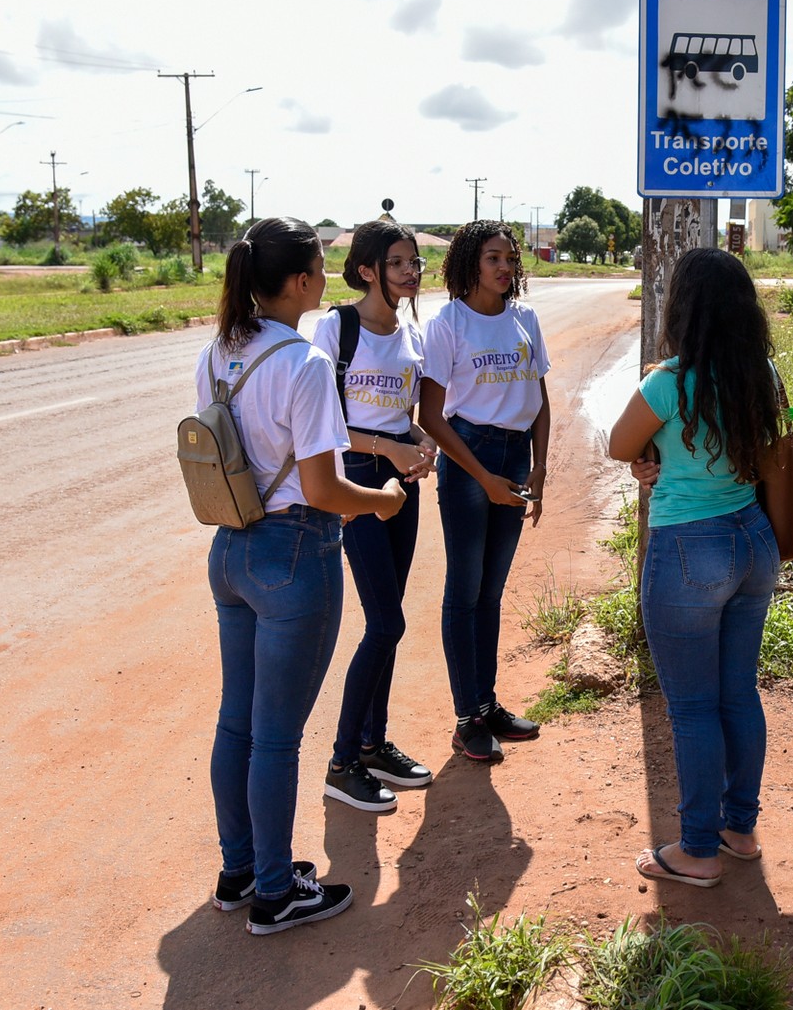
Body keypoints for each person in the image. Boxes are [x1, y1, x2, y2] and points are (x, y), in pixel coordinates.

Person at [196, 216, 407, 935]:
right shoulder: (305, 364)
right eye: (319, 264)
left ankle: (241, 869)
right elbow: (323, 488)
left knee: (238, 719)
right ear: (298, 282)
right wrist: (381, 500)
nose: (326, 274)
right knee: (277, 735)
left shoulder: (220, 350)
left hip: (230, 545)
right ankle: (278, 891)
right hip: (293, 551)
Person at [606, 247, 783, 887]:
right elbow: (772, 438)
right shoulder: (761, 372)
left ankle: (698, 850)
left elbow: (619, 445)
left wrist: (650, 456)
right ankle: (740, 828)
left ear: (683, 308)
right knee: (738, 692)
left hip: (688, 547)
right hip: (753, 541)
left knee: (692, 707)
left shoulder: (667, 381)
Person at [312, 219, 439, 813]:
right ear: (367, 270)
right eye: (397, 263)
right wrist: (388, 449)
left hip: (402, 484)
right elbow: (322, 423)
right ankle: (341, 763)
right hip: (356, 482)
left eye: (413, 262)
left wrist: (418, 441)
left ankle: (371, 742)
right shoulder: (336, 329)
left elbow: (399, 414)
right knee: (385, 624)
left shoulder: (410, 333)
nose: (411, 271)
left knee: (388, 619)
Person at [419, 220, 551, 762]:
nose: (505, 267)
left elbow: (541, 399)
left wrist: (539, 471)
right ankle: (466, 718)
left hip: (515, 456)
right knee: (465, 590)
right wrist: (483, 479)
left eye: (510, 259)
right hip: (469, 456)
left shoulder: (525, 319)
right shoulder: (448, 322)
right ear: (471, 262)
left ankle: (487, 704)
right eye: (494, 257)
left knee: (492, 593)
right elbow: (430, 415)